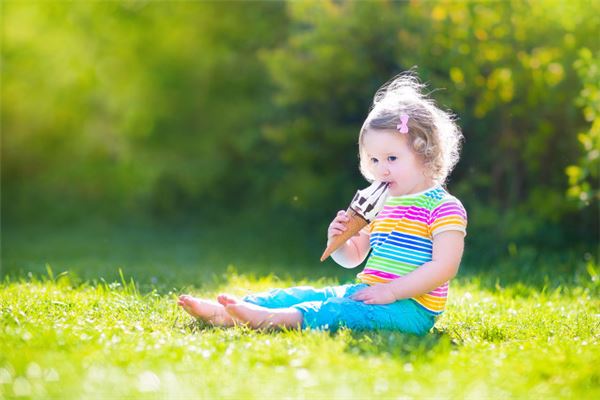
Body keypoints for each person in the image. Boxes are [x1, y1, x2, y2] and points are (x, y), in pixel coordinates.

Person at [178, 72, 467, 335]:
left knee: (337, 311)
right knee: (303, 294)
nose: (382, 169)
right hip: (369, 292)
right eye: (374, 160)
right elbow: (354, 257)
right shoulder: (383, 204)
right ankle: (230, 310)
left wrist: (391, 292)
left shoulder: (443, 207)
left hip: (411, 309)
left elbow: (444, 267)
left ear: (425, 153)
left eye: (392, 158)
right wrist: (341, 242)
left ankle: (270, 318)